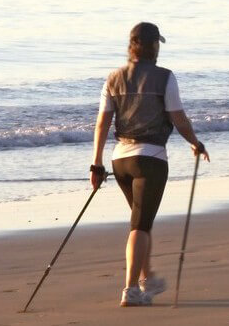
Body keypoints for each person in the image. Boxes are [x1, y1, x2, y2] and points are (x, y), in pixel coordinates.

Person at [90, 22, 210, 307]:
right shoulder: (164, 77)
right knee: (140, 226)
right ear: (154, 46)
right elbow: (178, 118)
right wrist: (195, 142)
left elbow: (102, 123)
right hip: (151, 159)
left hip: (120, 160)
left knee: (141, 222)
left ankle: (148, 279)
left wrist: (96, 164)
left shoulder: (113, 78)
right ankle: (131, 289)